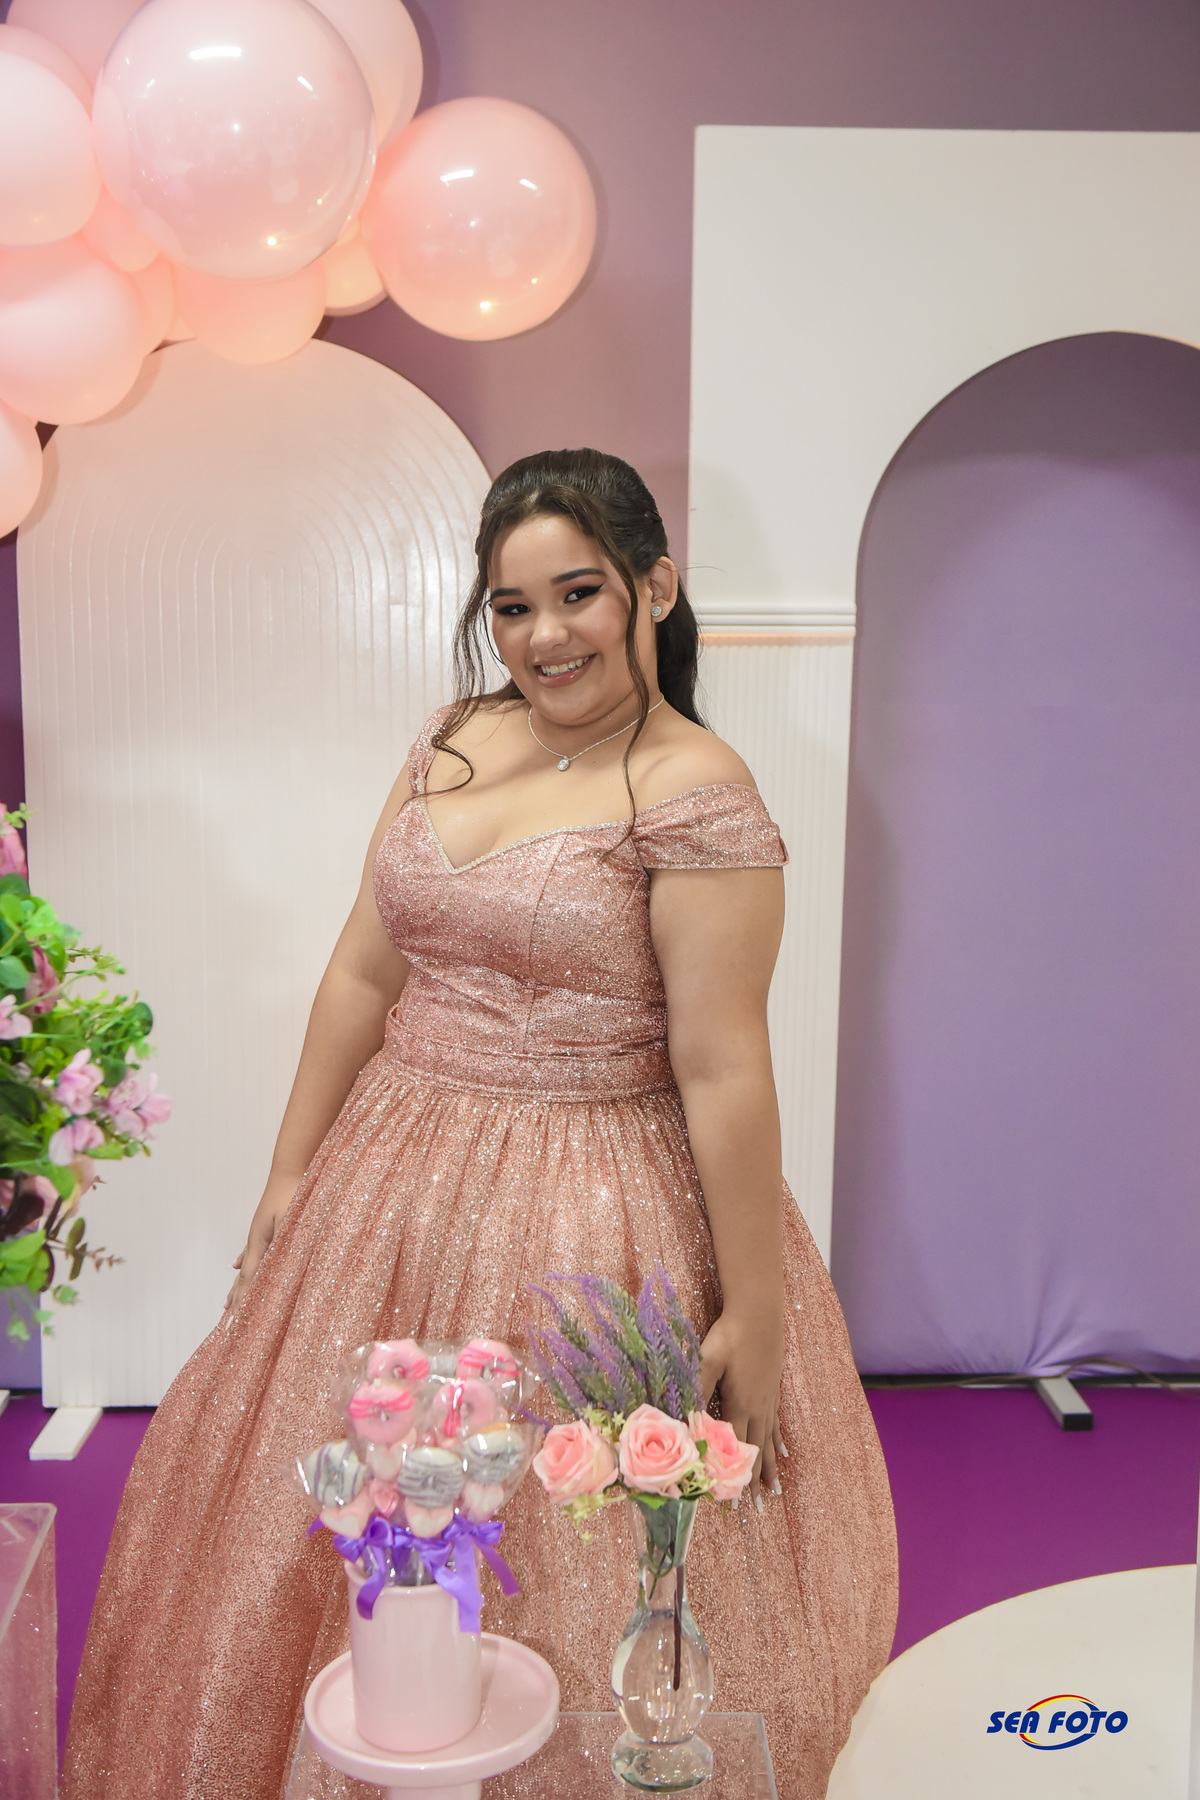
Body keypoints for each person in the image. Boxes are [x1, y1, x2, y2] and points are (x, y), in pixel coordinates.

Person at [63, 449, 897, 1800]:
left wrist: (757, 1310)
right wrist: (288, 1169)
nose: (545, 634)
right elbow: (362, 969)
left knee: (569, 1546)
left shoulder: (694, 787)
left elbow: (723, 1066)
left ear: (653, 587)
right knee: (335, 1517)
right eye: (513, 606)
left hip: (593, 1210)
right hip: (385, 1179)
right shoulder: (454, 734)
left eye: (578, 594)